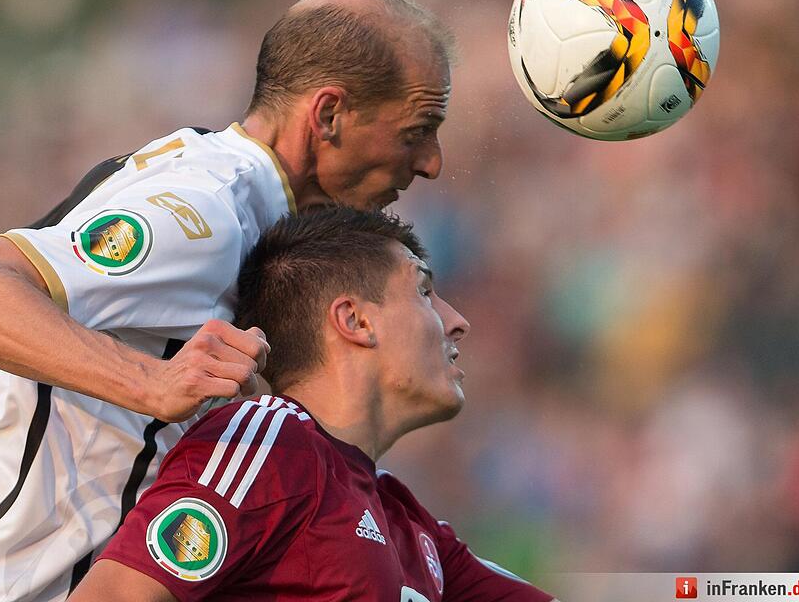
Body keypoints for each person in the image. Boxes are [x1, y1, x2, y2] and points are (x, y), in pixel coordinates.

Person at [0, 0, 455, 601]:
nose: (430, 161)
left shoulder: (228, 197)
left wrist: (9, 475)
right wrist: (146, 385)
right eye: (416, 130)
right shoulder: (202, 214)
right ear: (328, 114)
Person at [69, 207, 556, 602]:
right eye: (425, 291)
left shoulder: (408, 523)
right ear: (355, 321)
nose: (457, 321)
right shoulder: (269, 441)